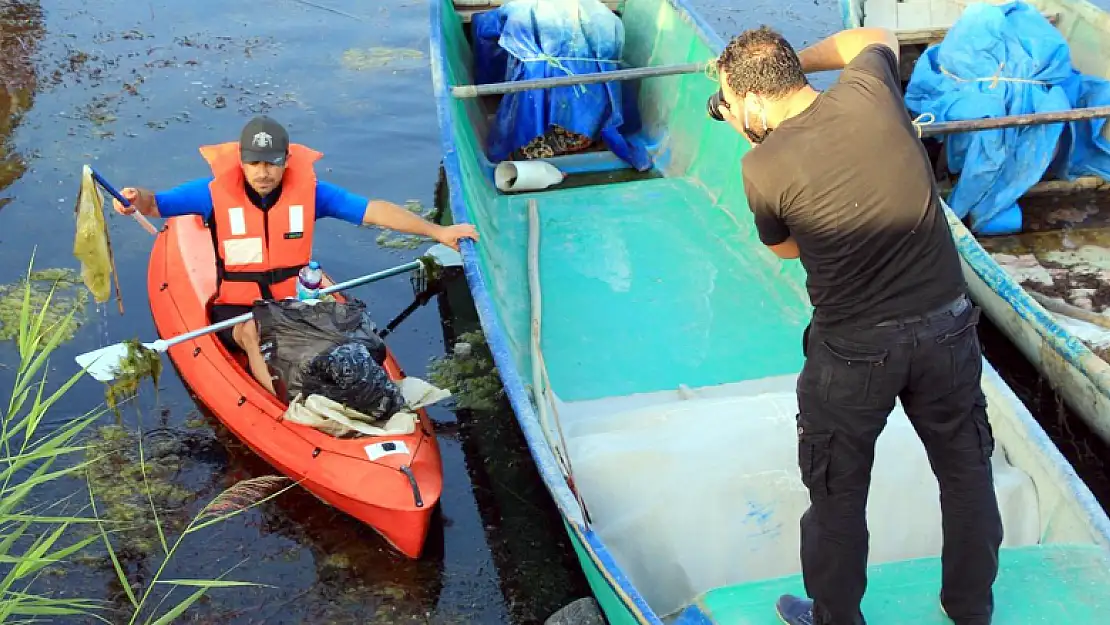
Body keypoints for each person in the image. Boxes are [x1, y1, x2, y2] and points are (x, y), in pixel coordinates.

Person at [712, 26, 1004, 625]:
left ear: (751, 101)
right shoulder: (872, 91)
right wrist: (791, 62)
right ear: (795, 73)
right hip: (948, 330)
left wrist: (749, 128)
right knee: (966, 472)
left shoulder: (761, 165)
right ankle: (971, 610)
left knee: (838, 495)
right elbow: (872, 36)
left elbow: (788, 249)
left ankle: (835, 618)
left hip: (854, 354)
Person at [113, 115, 478, 395]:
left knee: (351, 341)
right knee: (252, 333)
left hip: (296, 301)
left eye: (271, 163)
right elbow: (156, 203)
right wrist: (134, 200)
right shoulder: (210, 192)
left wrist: (438, 232)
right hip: (237, 309)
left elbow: (374, 211)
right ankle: (285, 407)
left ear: (286, 160)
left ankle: (352, 394)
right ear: (241, 162)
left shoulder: (312, 193)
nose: (263, 172)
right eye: (255, 163)